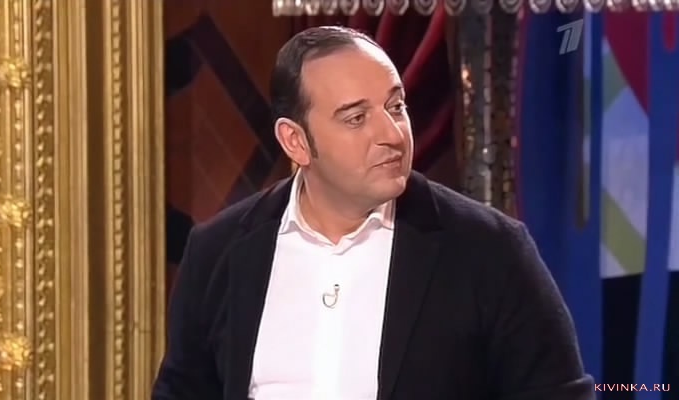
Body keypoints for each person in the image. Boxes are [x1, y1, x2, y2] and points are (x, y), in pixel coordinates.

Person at [151, 26, 595, 400]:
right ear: (295, 142)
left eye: (396, 106)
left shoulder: (489, 250)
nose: (392, 134)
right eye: (356, 118)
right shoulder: (219, 252)